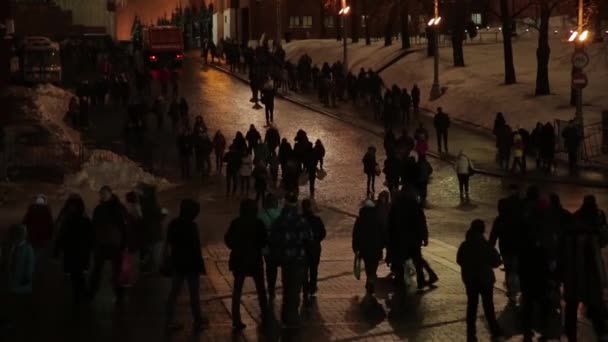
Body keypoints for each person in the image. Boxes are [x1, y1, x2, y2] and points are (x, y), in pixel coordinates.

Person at [560, 195, 608, 341]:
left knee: (571, 307)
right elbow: (600, 247)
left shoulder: (572, 223)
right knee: (595, 307)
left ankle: (571, 336)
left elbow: (563, 251)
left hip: (572, 274)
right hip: (588, 276)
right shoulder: (593, 228)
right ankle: (602, 334)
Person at [269, 192, 314, 327]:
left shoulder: (280, 221)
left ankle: (285, 315)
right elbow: (310, 238)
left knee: (287, 287)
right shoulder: (301, 221)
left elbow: (273, 239)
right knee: (295, 290)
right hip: (299, 259)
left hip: (285, 260)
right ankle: (292, 318)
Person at [225, 199, 270, 330]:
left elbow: (228, 240)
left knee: (237, 291)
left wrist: (236, 247)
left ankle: (236, 319)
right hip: (255, 259)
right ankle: (265, 315)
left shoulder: (236, 223)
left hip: (239, 260)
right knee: (261, 289)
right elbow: (264, 240)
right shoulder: (258, 223)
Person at [456, 219, 503, 342]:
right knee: (488, 306)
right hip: (485, 280)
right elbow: (496, 261)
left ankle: (471, 332)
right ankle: (494, 328)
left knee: (472, 305)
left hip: (470, 279)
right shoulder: (485, 245)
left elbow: (459, 260)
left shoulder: (465, 245)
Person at [165, 199, 207, 332]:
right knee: (194, 293)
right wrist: (201, 265)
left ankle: (170, 320)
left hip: (178, 262)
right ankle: (197, 318)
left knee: (174, 292)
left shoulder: (174, 224)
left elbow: (170, 242)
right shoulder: (192, 226)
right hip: (191, 265)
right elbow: (195, 248)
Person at [89, 186, 127, 303]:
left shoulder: (118, 208)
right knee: (97, 270)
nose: (103, 195)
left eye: (105, 193)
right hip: (102, 243)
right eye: (101, 194)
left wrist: (123, 243)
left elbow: (124, 227)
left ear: (110, 193)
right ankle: (92, 293)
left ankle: (119, 295)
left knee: (116, 271)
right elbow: (94, 227)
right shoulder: (99, 209)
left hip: (114, 244)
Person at [54, 194, 94, 305]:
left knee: (77, 276)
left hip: (76, 252)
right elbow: (62, 234)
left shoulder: (75, 220)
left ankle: (81, 297)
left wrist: (57, 248)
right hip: (76, 252)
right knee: (77, 276)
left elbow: (62, 234)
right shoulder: (82, 221)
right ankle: (81, 297)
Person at [489, 198, 521, 305]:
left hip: (505, 248)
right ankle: (515, 291)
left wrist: (490, 248)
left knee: (509, 270)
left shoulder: (499, 220)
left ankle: (512, 292)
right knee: (515, 270)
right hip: (516, 248)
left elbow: (493, 236)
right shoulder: (516, 218)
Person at [352, 199, 385, 296]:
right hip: (376, 246)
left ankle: (369, 279)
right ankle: (371, 279)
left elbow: (356, 234)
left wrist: (355, 246)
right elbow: (382, 232)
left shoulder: (360, 219)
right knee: (374, 265)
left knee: (367, 264)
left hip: (364, 247)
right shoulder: (377, 218)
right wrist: (383, 244)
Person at [301, 199, 326, 301]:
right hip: (314, 248)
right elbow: (323, 233)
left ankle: (305, 288)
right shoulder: (317, 219)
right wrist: (316, 240)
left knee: (304, 270)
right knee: (314, 269)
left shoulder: (300, 220)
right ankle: (312, 287)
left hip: (303, 249)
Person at [259, 194, 281, 300]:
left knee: (269, 268)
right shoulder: (280, 214)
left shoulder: (260, 216)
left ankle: (271, 289)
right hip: (278, 247)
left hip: (266, 248)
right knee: (276, 266)